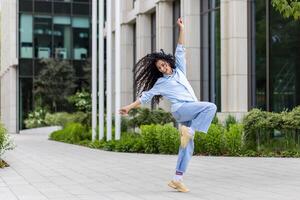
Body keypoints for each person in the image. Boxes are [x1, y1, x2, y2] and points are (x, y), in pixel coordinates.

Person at [119, 17, 217, 193]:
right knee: (210, 107)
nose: (163, 69)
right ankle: (190, 131)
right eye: (160, 68)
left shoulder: (180, 70)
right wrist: (129, 107)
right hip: (181, 110)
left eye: (163, 65)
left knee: (187, 146)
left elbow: (180, 48)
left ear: (168, 63)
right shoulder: (160, 84)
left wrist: (182, 28)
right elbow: (145, 97)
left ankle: (177, 179)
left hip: (190, 110)